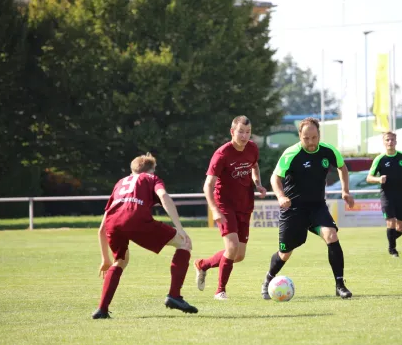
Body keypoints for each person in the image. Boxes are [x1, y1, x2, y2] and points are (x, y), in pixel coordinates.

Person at [92, 153, 198, 319]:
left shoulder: (120, 183)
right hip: (135, 218)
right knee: (184, 244)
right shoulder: (151, 178)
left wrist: (105, 259)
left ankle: (102, 309)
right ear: (152, 170)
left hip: (113, 223)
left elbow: (102, 228)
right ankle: (174, 296)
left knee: (120, 261)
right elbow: (163, 196)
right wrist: (180, 228)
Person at [260, 117, 355, 300]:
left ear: (319, 135)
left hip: (317, 207)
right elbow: (275, 178)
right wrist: (281, 196)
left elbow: (342, 167)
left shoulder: (328, 151)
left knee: (331, 235)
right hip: (293, 209)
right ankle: (268, 279)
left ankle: (340, 285)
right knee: (285, 253)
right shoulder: (291, 153)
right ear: (300, 136)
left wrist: (345, 191)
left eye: (314, 137)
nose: (311, 142)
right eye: (306, 138)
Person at [195, 116, 267, 300]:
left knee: (239, 255)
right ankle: (220, 290)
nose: (244, 136)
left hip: (245, 204)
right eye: (240, 131)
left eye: (248, 132)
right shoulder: (222, 154)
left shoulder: (252, 148)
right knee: (232, 247)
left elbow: (255, 167)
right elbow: (208, 185)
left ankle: (203, 265)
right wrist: (214, 210)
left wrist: (258, 184)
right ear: (232, 132)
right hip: (224, 204)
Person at [366, 132, 402, 257]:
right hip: (387, 195)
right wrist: (378, 179)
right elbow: (369, 177)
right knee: (391, 221)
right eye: (387, 140)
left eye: (392, 140)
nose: (390, 142)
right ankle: (392, 249)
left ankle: (391, 240)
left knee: (401, 227)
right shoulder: (380, 159)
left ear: (396, 141)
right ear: (384, 142)